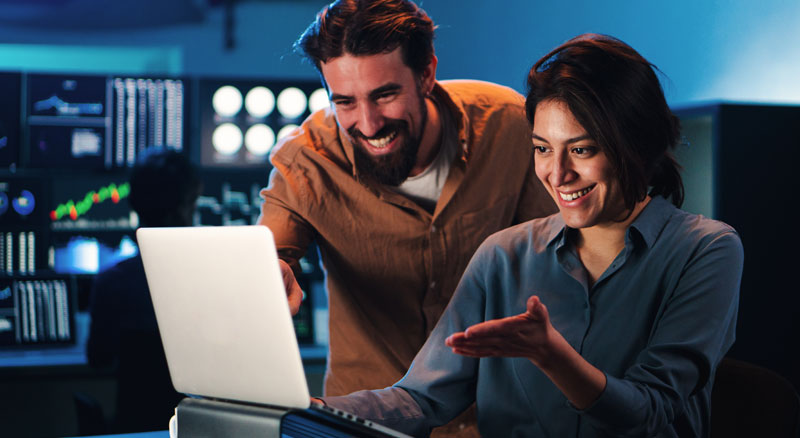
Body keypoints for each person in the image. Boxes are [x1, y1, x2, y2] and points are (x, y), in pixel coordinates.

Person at [318, 34, 744, 438]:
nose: (557, 175)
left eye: (581, 150)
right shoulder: (503, 255)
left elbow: (648, 413)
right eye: (543, 148)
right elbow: (422, 400)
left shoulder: (705, 250)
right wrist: (306, 410)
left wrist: (550, 355)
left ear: (636, 144)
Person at [257, 1, 556, 435]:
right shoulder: (306, 161)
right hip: (366, 424)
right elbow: (269, 256)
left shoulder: (509, 125)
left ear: (427, 74)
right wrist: (269, 275)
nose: (368, 123)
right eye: (344, 101)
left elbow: (562, 254)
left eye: (385, 94)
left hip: (500, 419)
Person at [87, 148, 202, 433]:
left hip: (135, 427)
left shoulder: (111, 282)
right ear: (186, 205)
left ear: (134, 204)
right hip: (198, 428)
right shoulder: (211, 281)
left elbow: (98, 359)